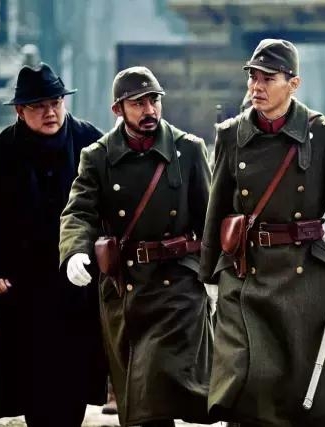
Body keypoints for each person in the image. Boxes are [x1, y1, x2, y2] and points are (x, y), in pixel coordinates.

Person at [200, 39, 325, 427]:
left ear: (293, 83)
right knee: (247, 377)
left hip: (305, 273)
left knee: (300, 384)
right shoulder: (230, 135)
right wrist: (209, 274)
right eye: (252, 77)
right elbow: (216, 209)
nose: (256, 86)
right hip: (245, 271)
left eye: (268, 78)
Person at [59, 66, 215, 427]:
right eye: (138, 103)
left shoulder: (188, 150)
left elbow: (208, 218)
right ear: (118, 109)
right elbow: (79, 211)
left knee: (155, 377)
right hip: (126, 289)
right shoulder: (97, 156)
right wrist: (75, 251)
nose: (149, 110)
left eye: (154, 100)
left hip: (178, 285)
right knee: (138, 402)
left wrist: (216, 276)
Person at [0, 62, 107, 426]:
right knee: (31, 381)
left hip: (77, 279)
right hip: (22, 284)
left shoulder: (91, 143)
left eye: (55, 102)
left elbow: (111, 207)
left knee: (74, 379)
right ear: (20, 110)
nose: (50, 112)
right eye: (38, 106)